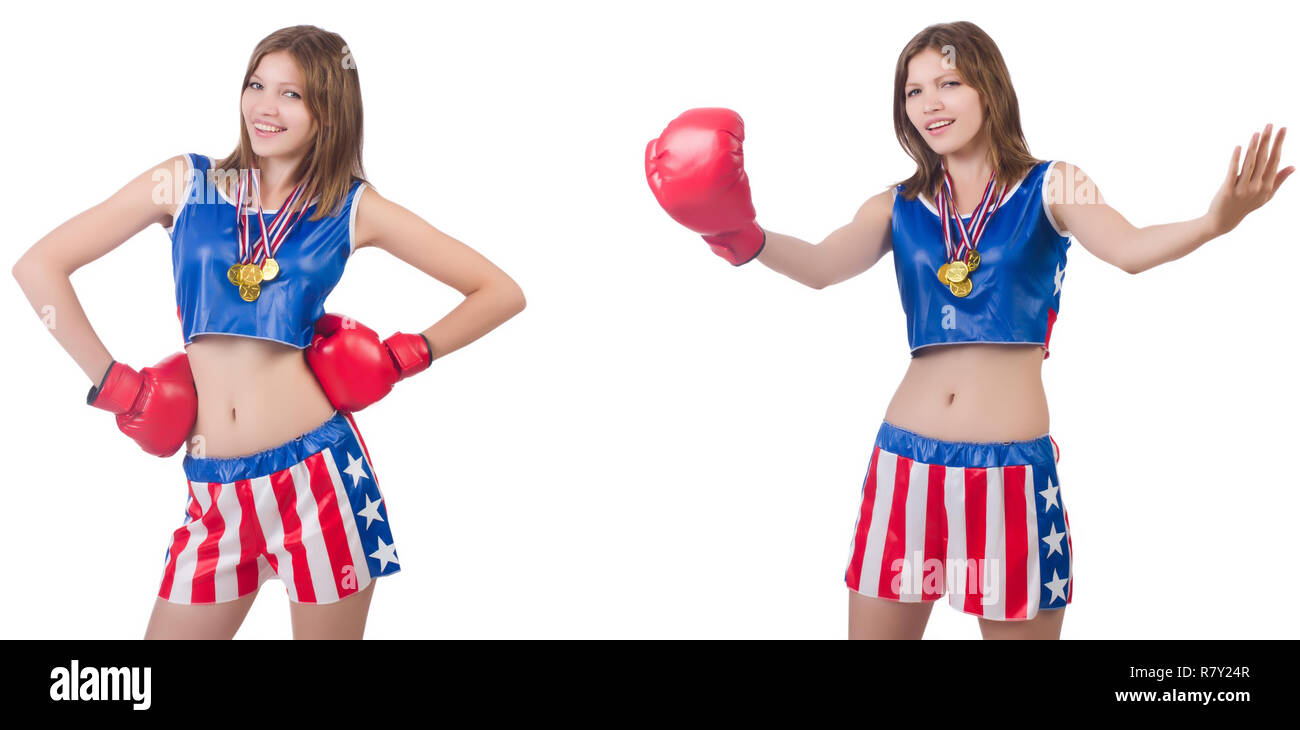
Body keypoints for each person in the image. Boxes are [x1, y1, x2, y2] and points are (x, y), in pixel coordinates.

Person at [645, 20, 1290, 639]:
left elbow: (1128, 246)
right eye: (914, 90)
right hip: (906, 463)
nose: (930, 103)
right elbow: (819, 265)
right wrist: (738, 234)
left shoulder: (1055, 184)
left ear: (989, 88)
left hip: (1010, 475)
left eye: (948, 83)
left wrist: (1213, 222)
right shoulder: (895, 204)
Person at [11, 25, 526, 639]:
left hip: (320, 482)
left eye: (292, 94)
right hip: (212, 489)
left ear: (329, 112)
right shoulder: (185, 182)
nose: (264, 106)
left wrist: (404, 356)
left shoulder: (352, 207)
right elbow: (38, 265)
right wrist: (115, 385)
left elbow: (500, 292)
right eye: (257, 84)